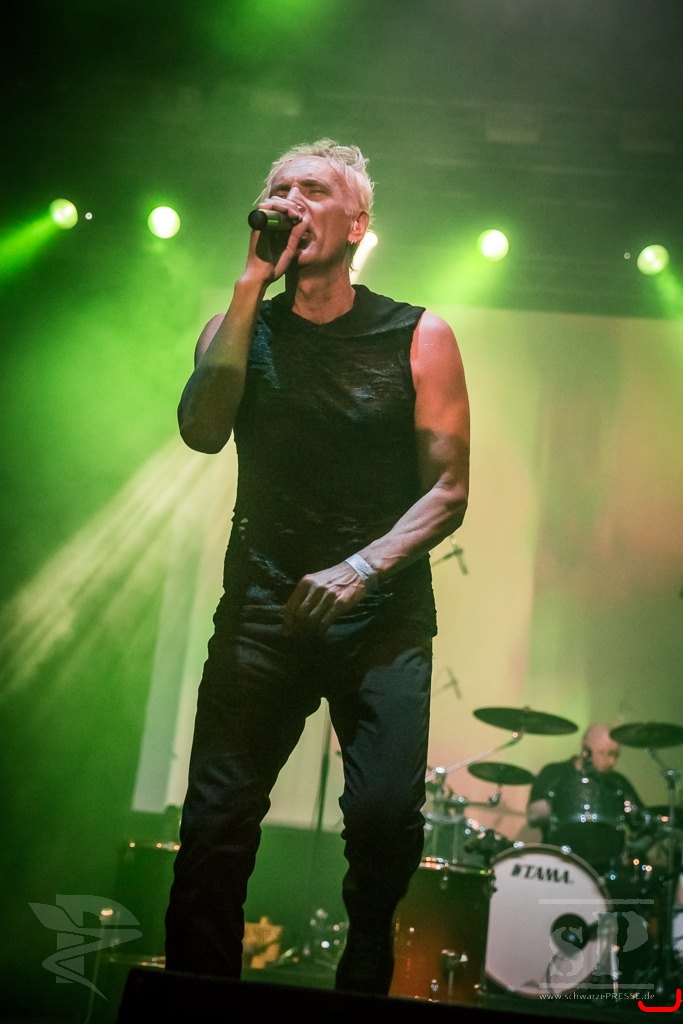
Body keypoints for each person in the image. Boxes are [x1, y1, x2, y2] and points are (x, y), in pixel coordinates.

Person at [163, 138, 471, 996]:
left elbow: (448, 490)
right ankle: (196, 1003)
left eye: (313, 189)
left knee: (382, 817)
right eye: (279, 189)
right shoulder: (237, 329)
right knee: (215, 824)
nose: (291, 200)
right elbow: (202, 431)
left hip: (381, 615)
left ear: (358, 223)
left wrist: (359, 569)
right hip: (262, 608)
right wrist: (248, 285)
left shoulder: (418, 334)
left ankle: (364, 966)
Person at [527, 722, 649, 874]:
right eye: (605, 753)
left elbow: (644, 825)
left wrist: (636, 850)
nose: (612, 762)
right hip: (556, 866)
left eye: (616, 755)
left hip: (604, 870)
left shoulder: (618, 782)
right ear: (586, 749)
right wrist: (550, 807)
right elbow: (533, 818)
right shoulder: (554, 773)